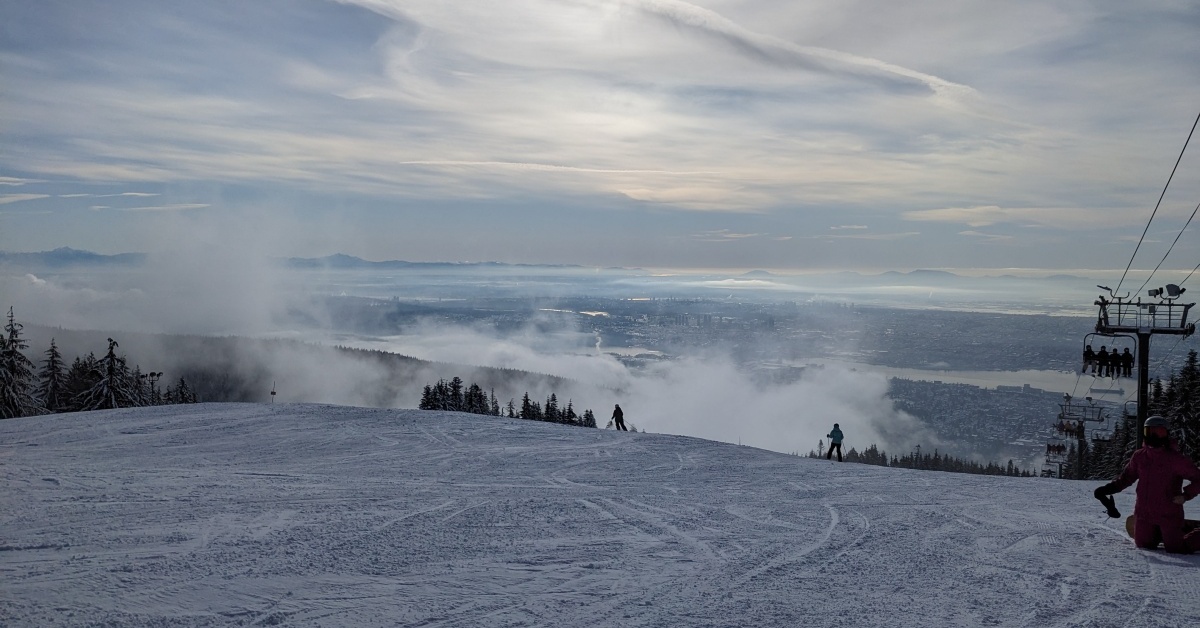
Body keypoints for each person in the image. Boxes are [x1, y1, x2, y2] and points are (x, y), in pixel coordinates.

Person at [1093, 416, 1200, 553]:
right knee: (1143, 545)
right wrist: (1109, 489)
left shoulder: (1175, 459)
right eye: (1149, 432)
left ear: (1166, 434)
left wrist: (1186, 495)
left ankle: (1178, 533)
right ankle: (1162, 533)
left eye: (1159, 432)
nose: (1154, 436)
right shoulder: (1140, 456)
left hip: (1168, 514)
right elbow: (1127, 477)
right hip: (1144, 513)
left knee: (1176, 549)